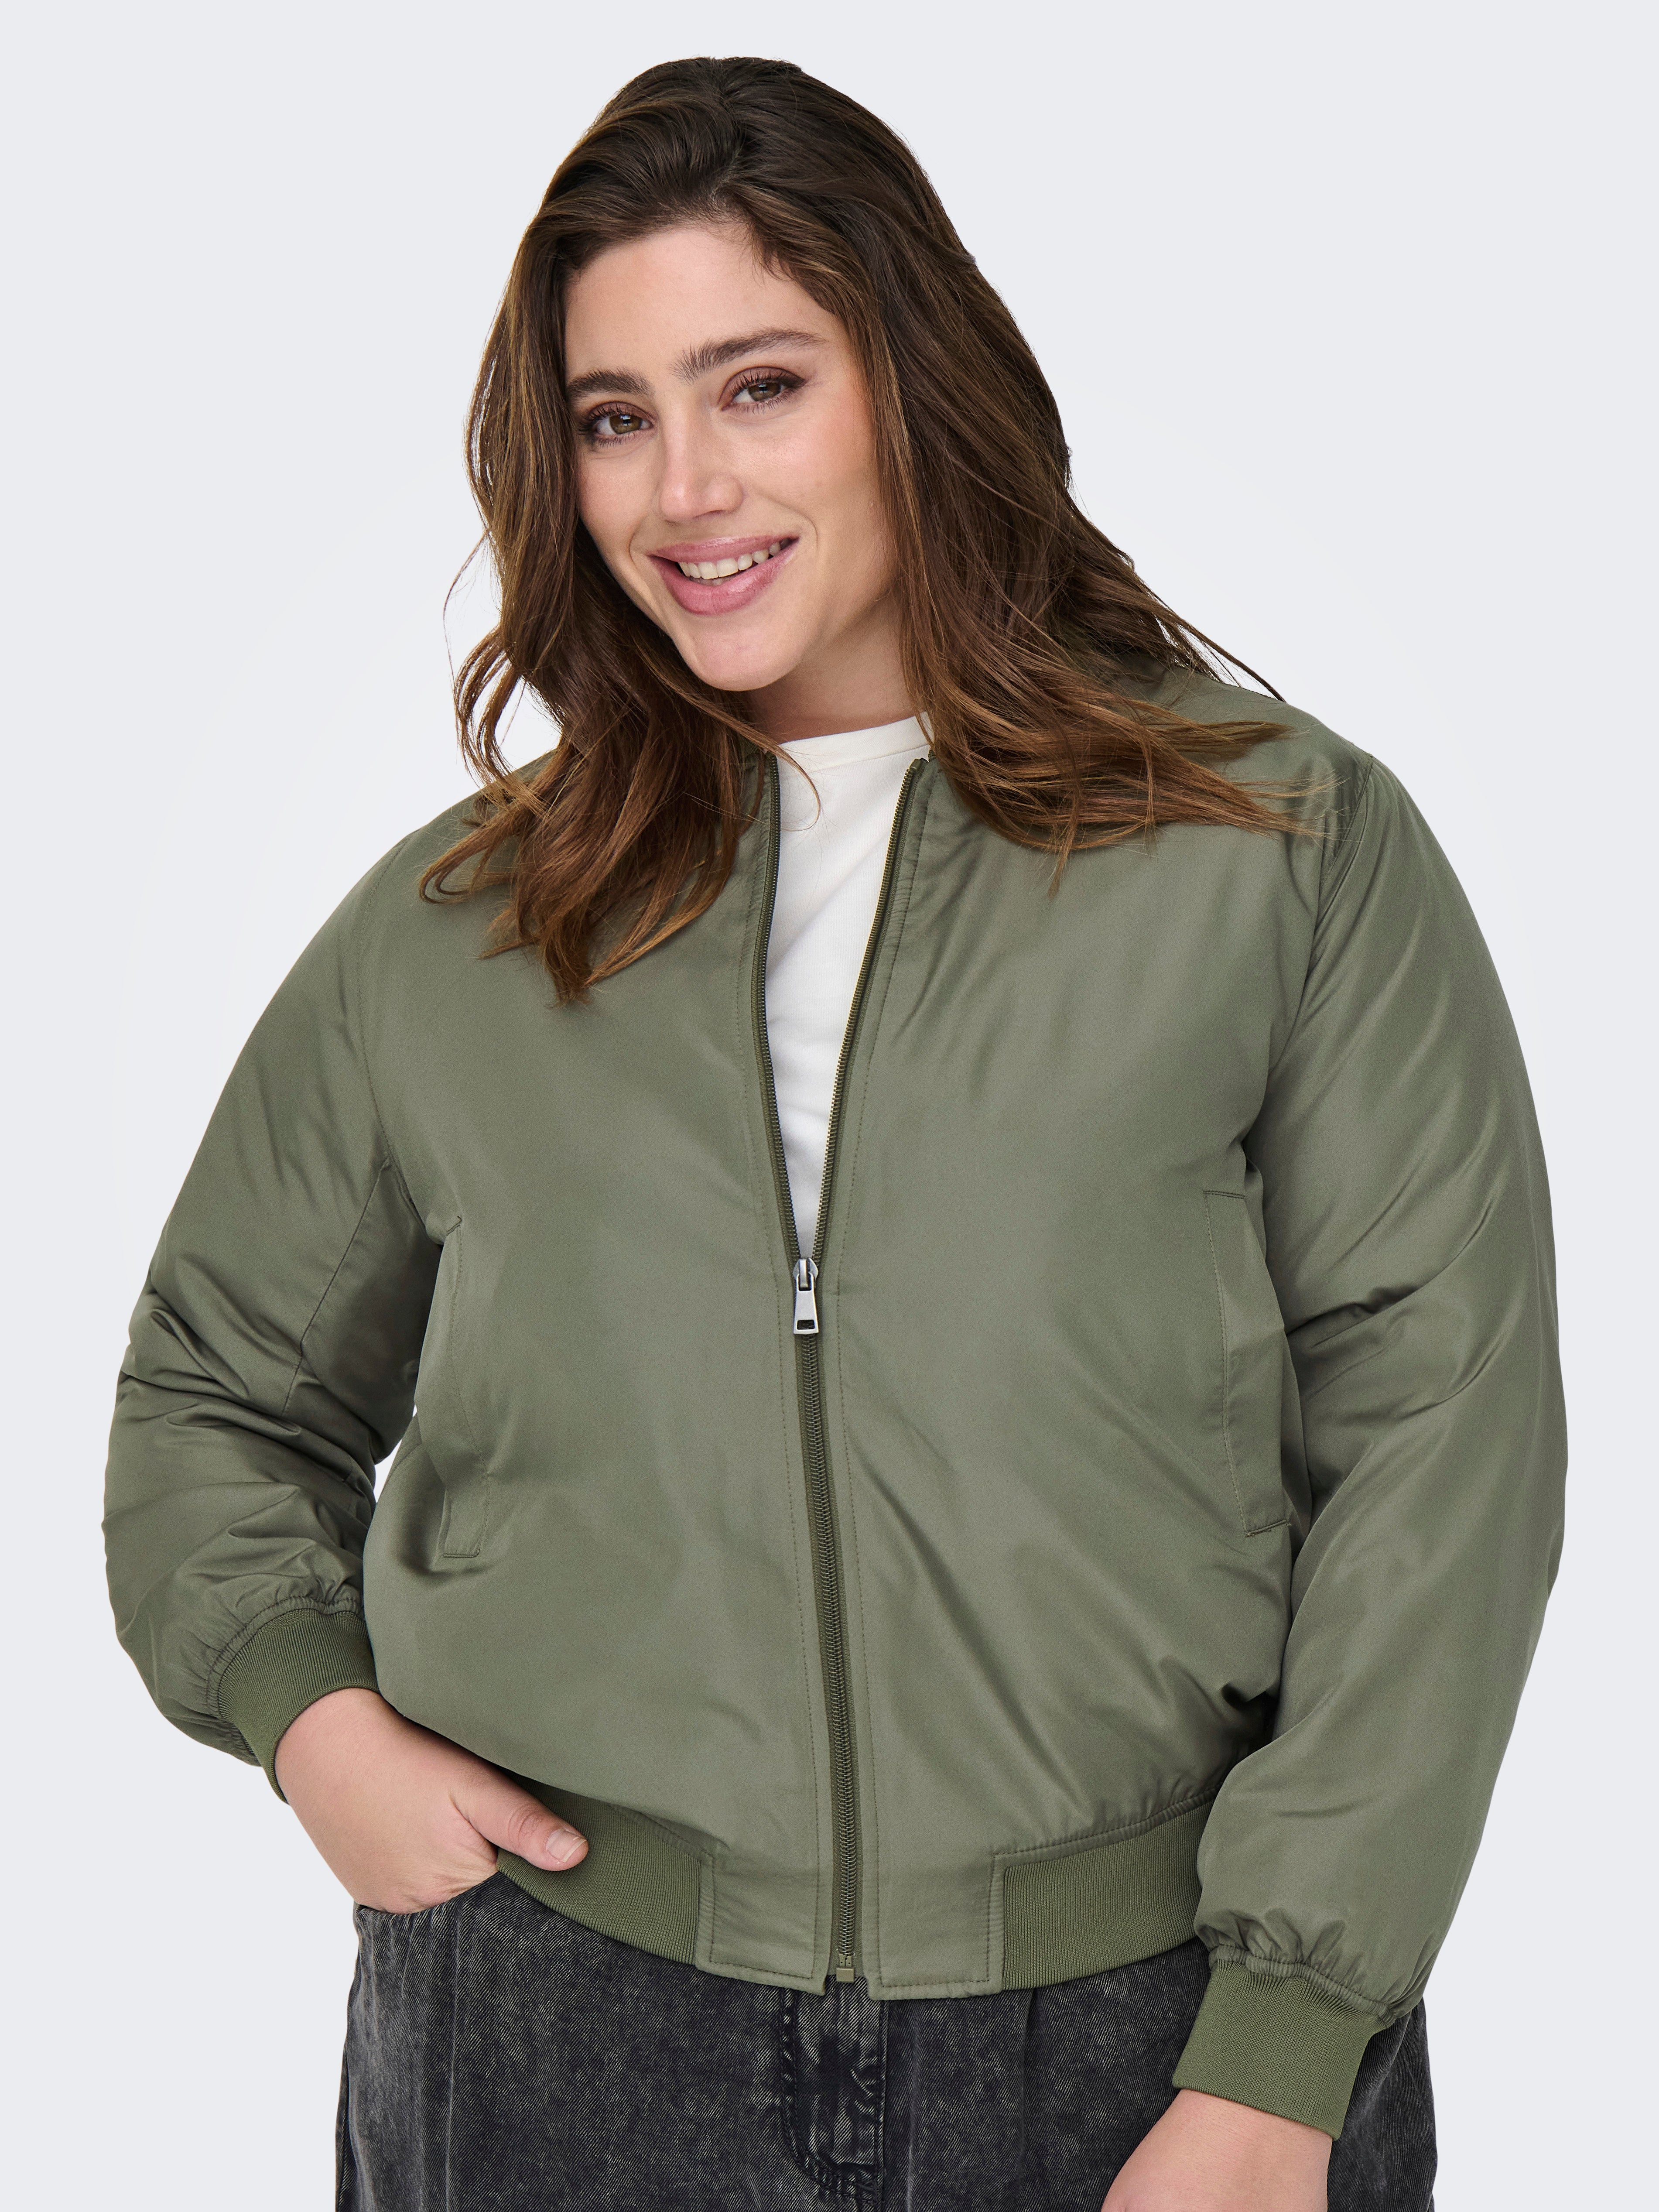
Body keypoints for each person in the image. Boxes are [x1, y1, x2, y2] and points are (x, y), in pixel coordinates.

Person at [103, 55, 1565, 2212]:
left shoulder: (1275, 847)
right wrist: (310, 1716)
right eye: (616, 416)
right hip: (561, 2031)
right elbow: (214, 1393)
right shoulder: (461, 924)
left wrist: (1285, 2048)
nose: (684, 485)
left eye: (760, 385)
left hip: (1146, 2041)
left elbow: (1443, 1447)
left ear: (911, 380)